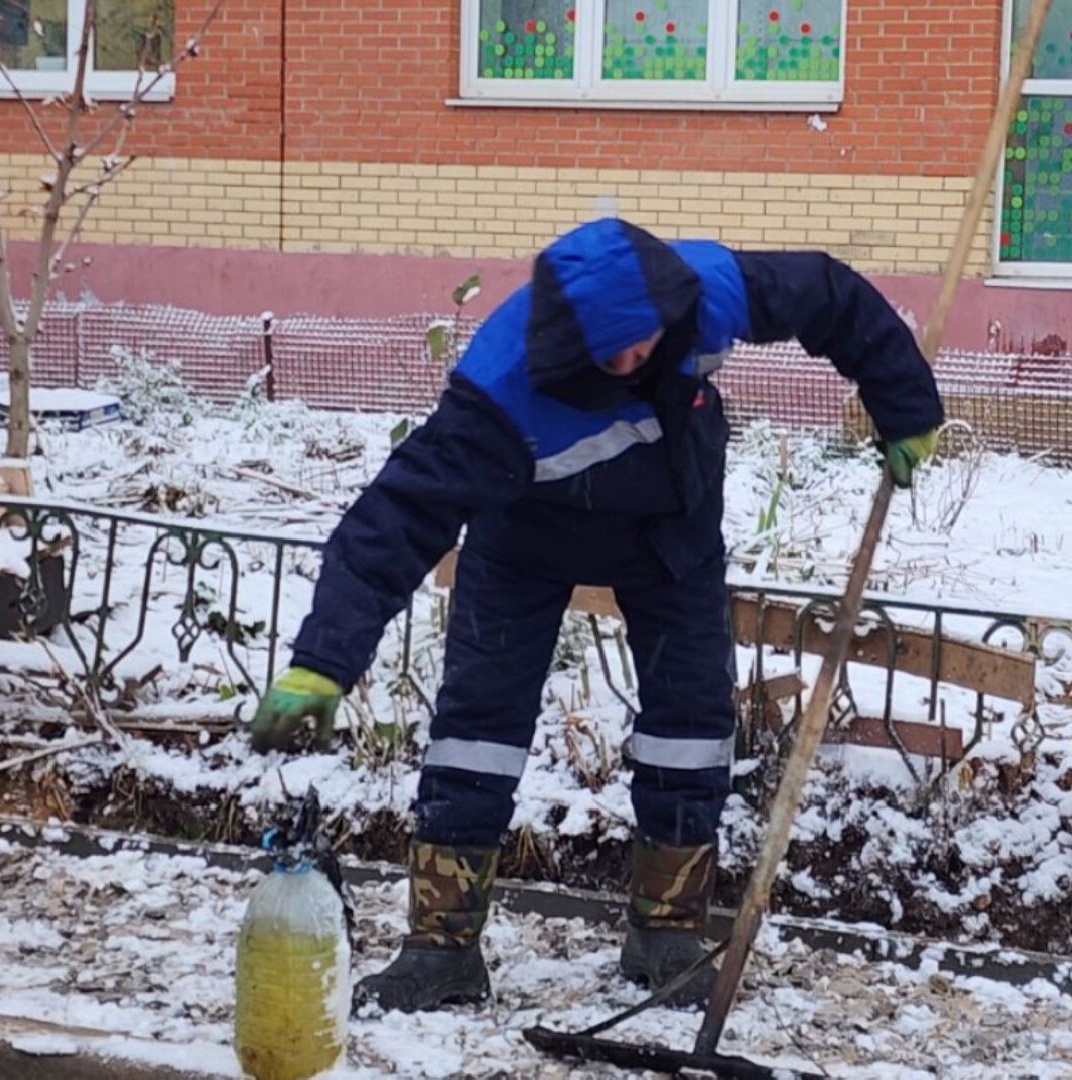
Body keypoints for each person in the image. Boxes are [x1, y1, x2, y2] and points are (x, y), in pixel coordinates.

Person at [247, 218, 944, 1013]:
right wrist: (322, 661)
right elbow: (393, 521)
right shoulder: (498, 394)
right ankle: (440, 949)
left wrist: (904, 404)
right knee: (476, 726)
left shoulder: (704, 289)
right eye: (607, 352)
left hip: (667, 525)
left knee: (690, 723)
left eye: (641, 343)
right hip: (523, 536)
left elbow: (830, 296)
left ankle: (666, 933)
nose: (627, 363)